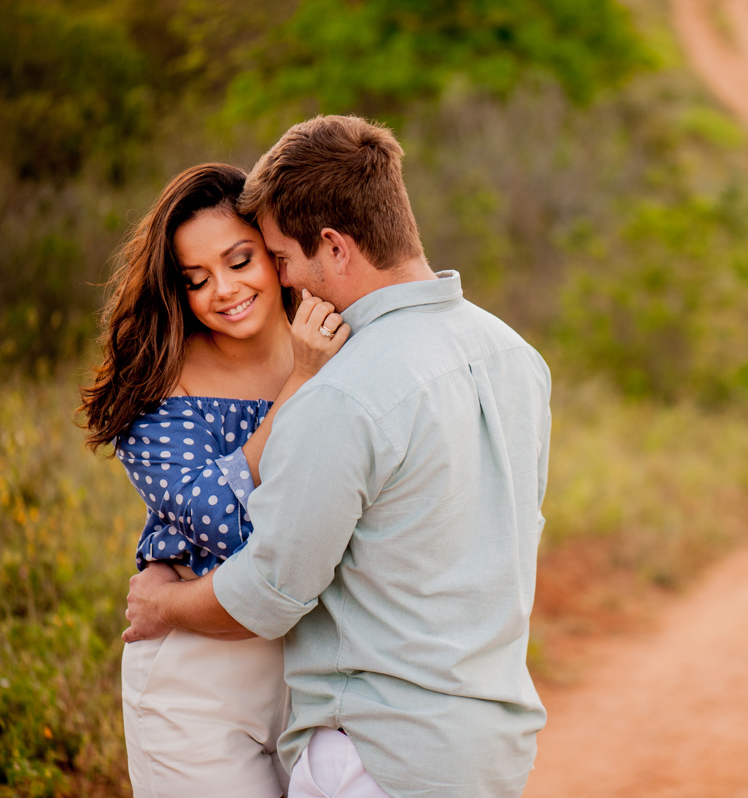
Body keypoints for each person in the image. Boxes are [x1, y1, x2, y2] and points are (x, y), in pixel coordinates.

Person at [121, 115, 552, 798]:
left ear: (333, 246)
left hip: (377, 747)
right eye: (199, 277)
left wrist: (164, 605)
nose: (275, 278)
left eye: (271, 258)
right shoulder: (516, 356)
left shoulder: (345, 390)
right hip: (488, 742)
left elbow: (269, 591)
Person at [80, 163, 351, 797]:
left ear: (276, 255)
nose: (224, 290)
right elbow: (226, 526)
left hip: (318, 672)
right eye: (196, 279)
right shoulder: (158, 387)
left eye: (240, 261)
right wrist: (298, 386)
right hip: (200, 676)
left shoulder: (338, 340)